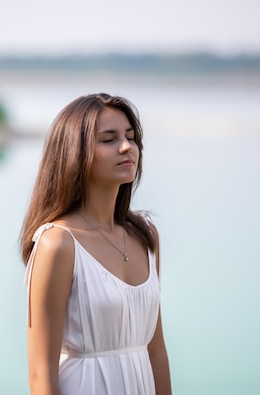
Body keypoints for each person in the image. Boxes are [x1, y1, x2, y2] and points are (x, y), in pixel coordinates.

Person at [20, 93, 172, 395]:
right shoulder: (57, 244)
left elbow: (156, 352)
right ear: (74, 151)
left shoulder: (147, 237)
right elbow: (40, 375)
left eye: (131, 137)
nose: (127, 147)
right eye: (109, 139)